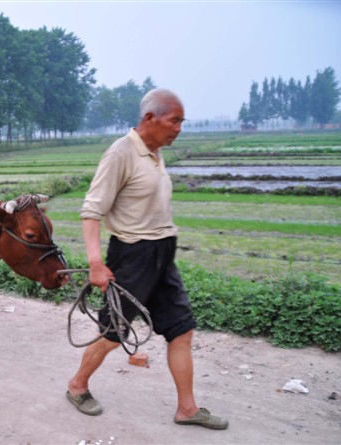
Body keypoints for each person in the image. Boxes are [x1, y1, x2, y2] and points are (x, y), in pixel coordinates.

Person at [65, 88, 228, 430]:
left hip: (162, 255)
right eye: (175, 120)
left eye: (182, 121)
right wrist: (96, 263)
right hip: (132, 258)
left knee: (182, 331)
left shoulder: (154, 152)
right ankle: (77, 386)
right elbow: (91, 211)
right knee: (112, 335)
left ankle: (187, 408)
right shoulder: (121, 153)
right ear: (150, 118)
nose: (179, 128)